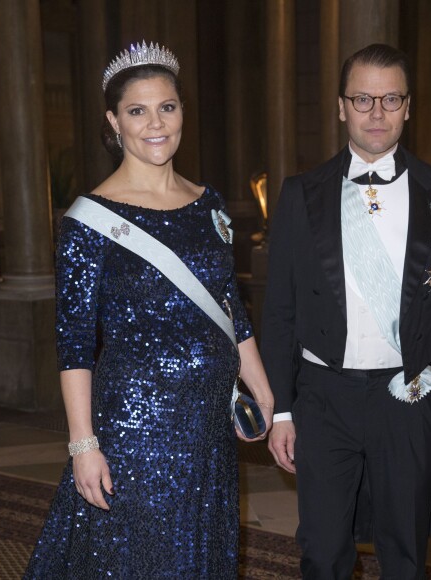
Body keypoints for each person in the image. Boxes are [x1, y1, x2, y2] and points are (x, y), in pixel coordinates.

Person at [24, 41, 273, 579]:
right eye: (137, 110)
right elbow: (73, 347)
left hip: (208, 427)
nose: (155, 123)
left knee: (200, 553)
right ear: (113, 121)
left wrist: (262, 387)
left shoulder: (207, 202)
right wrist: (83, 445)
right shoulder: (88, 224)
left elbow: (231, 305)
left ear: (182, 111)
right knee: (141, 560)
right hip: (137, 429)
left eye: (168, 107)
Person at [261, 43, 431, 579]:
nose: (376, 113)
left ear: (408, 107)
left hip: (408, 397)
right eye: (362, 99)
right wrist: (281, 410)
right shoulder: (300, 195)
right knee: (321, 552)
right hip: (323, 399)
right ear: (341, 106)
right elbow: (279, 314)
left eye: (391, 99)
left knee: (406, 552)